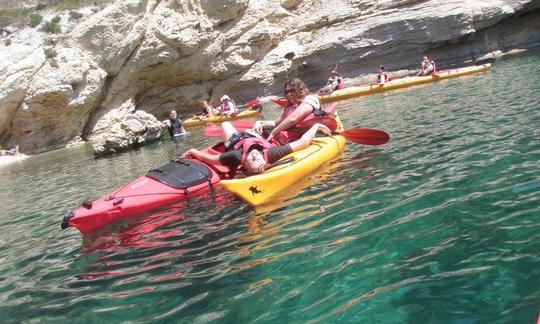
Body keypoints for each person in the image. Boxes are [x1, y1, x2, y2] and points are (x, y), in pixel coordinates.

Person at [182, 121, 331, 176]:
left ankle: (251, 128)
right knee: (257, 132)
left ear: (244, 165)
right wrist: (316, 126)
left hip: (235, 141)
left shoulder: (234, 157)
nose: (254, 156)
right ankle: (257, 126)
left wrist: (191, 151)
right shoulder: (270, 155)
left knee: (225, 124)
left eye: (251, 161)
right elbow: (303, 142)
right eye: (257, 159)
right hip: (254, 138)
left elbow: (206, 158)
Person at [253, 78, 337, 146]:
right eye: (287, 92)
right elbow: (276, 123)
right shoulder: (290, 107)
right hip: (295, 137)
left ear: (300, 90)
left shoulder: (310, 99)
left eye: (292, 90)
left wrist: (274, 132)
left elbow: (294, 118)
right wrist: (260, 123)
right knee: (261, 131)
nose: (289, 94)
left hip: (313, 136)